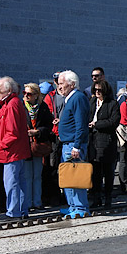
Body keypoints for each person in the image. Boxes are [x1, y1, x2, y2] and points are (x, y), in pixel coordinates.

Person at [0, 76, 31, 221]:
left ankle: (14, 211)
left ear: (8, 90)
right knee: (18, 181)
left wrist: (1, 145)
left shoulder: (12, 104)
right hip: (15, 150)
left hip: (11, 151)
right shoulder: (12, 103)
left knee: (12, 182)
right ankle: (21, 210)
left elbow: (12, 132)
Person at [55, 70, 91, 218]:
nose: (59, 87)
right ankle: (73, 205)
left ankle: (80, 207)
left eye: (62, 83)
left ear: (72, 84)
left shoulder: (78, 98)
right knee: (69, 178)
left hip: (73, 145)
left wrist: (77, 145)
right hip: (67, 144)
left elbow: (80, 123)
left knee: (76, 177)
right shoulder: (70, 98)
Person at [21, 82, 53, 212]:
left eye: (29, 94)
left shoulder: (43, 107)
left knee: (37, 175)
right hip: (25, 144)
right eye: (25, 93)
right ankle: (28, 203)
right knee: (27, 175)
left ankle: (37, 202)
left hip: (38, 144)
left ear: (36, 95)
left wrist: (38, 131)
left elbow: (48, 125)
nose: (26, 96)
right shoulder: (22, 107)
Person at [88, 78, 120, 208]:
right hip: (93, 141)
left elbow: (113, 122)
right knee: (95, 172)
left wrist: (97, 124)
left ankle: (107, 198)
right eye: (95, 90)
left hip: (107, 141)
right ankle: (96, 198)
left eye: (99, 90)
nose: (97, 92)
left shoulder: (112, 104)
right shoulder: (92, 102)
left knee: (108, 172)